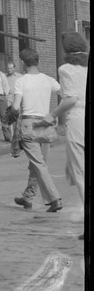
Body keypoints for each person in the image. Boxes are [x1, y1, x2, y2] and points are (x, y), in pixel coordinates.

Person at [9, 47, 62, 213]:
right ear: (37, 61)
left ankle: (55, 199)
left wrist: (11, 111)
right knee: (38, 163)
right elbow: (67, 95)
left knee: (38, 164)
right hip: (44, 124)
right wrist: (54, 114)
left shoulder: (21, 81)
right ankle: (28, 197)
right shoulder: (48, 80)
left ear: (23, 63)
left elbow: (16, 107)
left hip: (29, 123)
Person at [46, 32, 87, 236]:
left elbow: (70, 99)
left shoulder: (66, 69)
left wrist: (52, 114)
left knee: (80, 172)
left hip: (78, 119)